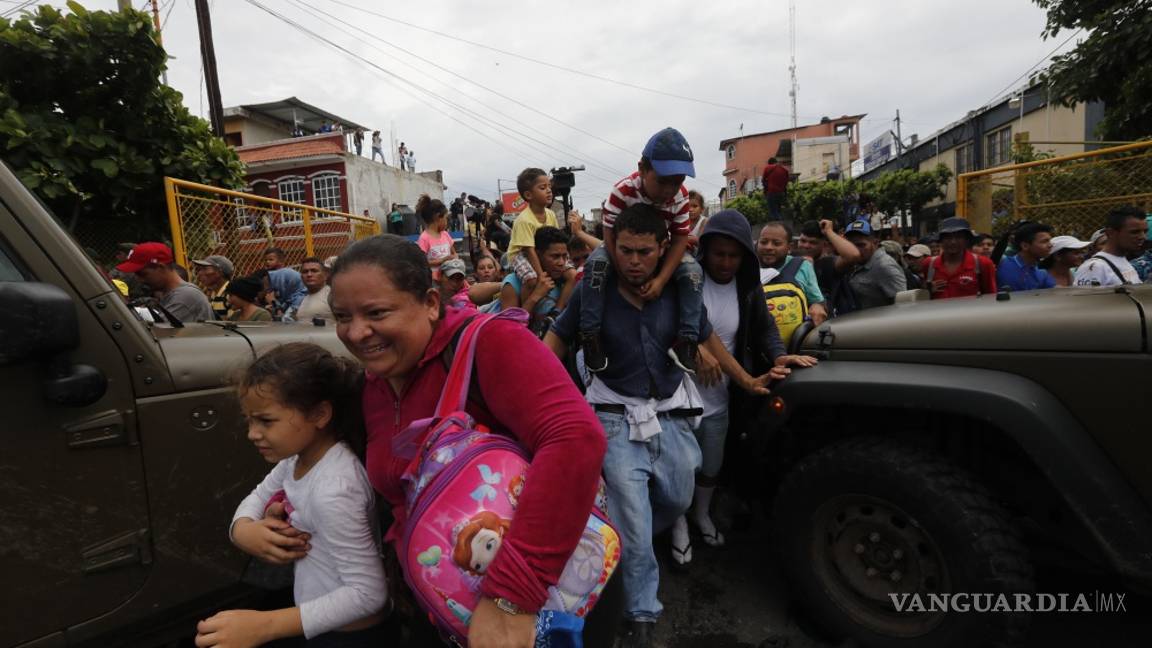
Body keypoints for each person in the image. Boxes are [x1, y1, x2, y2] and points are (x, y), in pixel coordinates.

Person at [318, 234, 613, 648]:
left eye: (377, 312)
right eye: (342, 316)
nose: (356, 332)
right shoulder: (376, 383)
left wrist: (512, 596)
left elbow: (576, 438)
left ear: (431, 303)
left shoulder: (488, 343)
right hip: (444, 605)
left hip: (542, 604)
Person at [545, 204, 780, 647]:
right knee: (633, 521)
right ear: (614, 247)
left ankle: (623, 549)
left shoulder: (680, 289)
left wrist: (746, 380)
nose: (634, 261)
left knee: (678, 496)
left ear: (661, 250)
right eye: (626, 250)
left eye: (644, 252)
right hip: (614, 417)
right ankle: (641, 612)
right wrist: (528, 384)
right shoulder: (592, 289)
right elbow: (557, 337)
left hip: (670, 415)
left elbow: (708, 336)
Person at [197, 343, 390, 647]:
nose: (252, 433)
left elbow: (368, 594)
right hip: (321, 621)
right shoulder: (298, 458)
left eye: (265, 420)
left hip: (350, 636)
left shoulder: (334, 489)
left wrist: (265, 625)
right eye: (249, 420)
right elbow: (259, 496)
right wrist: (242, 529)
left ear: (320, 414)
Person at [670, 210, 816, 566]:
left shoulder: (748, 290)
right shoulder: (688, 281)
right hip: (678, 397)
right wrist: (697, 349)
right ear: (706, 252)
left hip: (721, 396)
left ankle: (701, 514)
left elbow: (766, 330)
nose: (725, 262)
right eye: (718, 253)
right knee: (678, 468)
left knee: (712, 465)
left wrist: (780, 357)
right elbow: (667, 327)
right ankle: (677, 525)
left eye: (733, 255)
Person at [580, 127, 704, 375]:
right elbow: (609, 236)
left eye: (677, 181)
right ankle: (590, 335)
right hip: (622, 251)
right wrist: (623, 276)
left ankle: (687, 340)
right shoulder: (622, 191)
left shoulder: (680, 198)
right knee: (595, 266)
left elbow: (679, 240)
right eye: (662, 181)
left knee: (693, 271)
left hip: (659, 252)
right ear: (643, 168)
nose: (669, 189)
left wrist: (661, 279)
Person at [496, 226, 575, 337]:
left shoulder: (565, 281)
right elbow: (509, 330)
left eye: (564, 257)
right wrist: (536, 296)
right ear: (538, 255)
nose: (561, 262)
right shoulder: (513, 284)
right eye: (555, 256)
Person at [116, 242, 213, 322]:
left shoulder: (184, 296)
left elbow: (158, 337)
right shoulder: (172, 293)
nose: (139, 279)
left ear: (161, 267)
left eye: (143, 274)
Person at [756, 222, 828, 328]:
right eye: (763, 242)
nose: (768, 247)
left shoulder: (803, 266)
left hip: (796, 341)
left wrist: (817, 307)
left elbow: (818, 302)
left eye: (776, 243)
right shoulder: (748, 268)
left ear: (789, 247)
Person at [506, 168, 561, 301]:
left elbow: (556, 239)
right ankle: (526, 309)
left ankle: (560, 308)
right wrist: (541, 274)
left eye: (549, 186)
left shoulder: (551, 215)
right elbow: (529, 251)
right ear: (529, 195)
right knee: (532, 279)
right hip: (520, 254)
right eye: (542, 187)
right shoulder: (524, 219)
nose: (549, 190)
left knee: (570, 273)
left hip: (540, 251)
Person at [917, 217, 996, 299]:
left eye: (959, 237)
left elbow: (990, 298)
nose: (953, 242)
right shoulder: (929, 264)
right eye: (948, 237)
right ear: (940, 240)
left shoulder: (983, 263)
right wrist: (927, 290)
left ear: (967, 240)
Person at [796, 219, 861, 311]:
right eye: (803, 241)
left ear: (824, 245)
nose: (806, 246)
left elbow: (853, 255)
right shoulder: (791, 261)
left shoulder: (827, 264)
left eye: (813, 242)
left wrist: (829, 232)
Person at [1075, 205, 1148, 287]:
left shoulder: (1122, 260)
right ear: (1111, 233)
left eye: (1145, 231)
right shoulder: (1094, 268)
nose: (1143, 237)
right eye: (1134, 232)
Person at [840, 220, 907, 308]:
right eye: (851, 245)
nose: (855, 250)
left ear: (875, 243)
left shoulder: (885, 266)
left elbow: (903, 305)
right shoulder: (855, 263)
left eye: (861, 245)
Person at [997, 223, 1056, 291]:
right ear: (1025, 246)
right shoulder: (1000, 264)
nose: (1050, 245)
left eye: (1049, 241)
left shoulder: (1042, 274)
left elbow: (1056, 291)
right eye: (1044, 241)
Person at [415, 195, 457, 279]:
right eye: (445, 218)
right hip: (433, 279)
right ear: (438, 218)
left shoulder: (445, 234)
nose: (447, 222)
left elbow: (454, 253)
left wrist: (455, 258)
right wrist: (442, 260)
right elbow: (421, 262)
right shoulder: (424, 238)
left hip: (448, 277)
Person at [193, 255, 234, 320]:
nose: (199, 273)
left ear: (220, 272)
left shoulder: (230, 294)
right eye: (199, 270)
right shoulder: (213, 293)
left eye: (205, 269)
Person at [295, 257, 334, 322]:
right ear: (301, 277)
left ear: (325, 275)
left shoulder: (333, 295)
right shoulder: (302, 299)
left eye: (314, 271)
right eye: (305, 272)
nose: (309, 274)